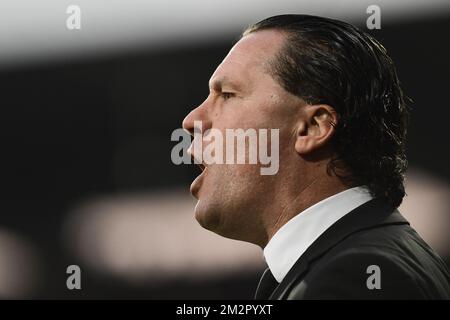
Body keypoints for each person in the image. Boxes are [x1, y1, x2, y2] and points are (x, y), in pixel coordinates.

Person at [182, 14, 450, 299]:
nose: (192, 120)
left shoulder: (352, 278)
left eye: (227, 94)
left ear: (312, 127)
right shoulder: (359, 260)